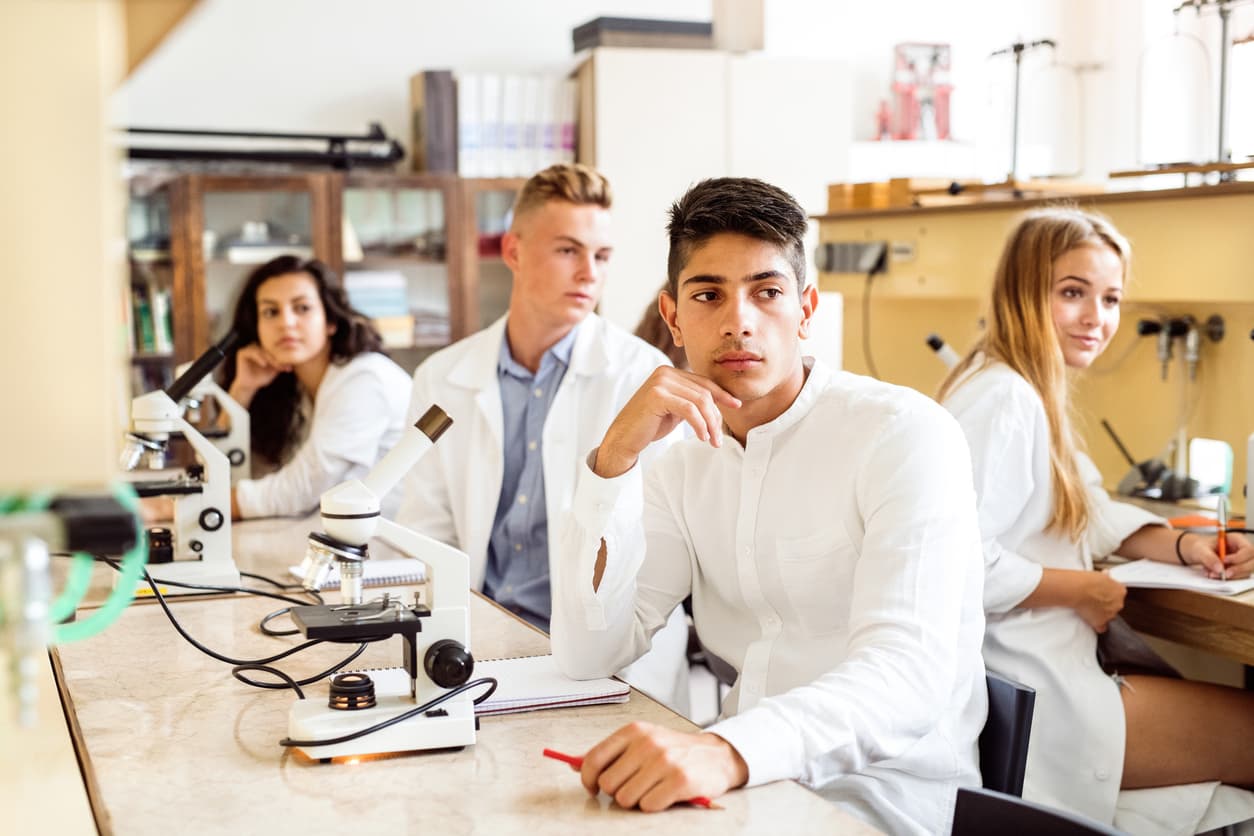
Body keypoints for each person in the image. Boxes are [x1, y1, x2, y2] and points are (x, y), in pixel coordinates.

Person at [548, 177, 987, 834]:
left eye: (768, 292)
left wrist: (729, 750)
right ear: (672, 317)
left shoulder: (902, 434)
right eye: (708, 295)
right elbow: (589, 653)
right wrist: (613, 461)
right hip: (738, 789)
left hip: (880, 798)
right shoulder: (677, 457)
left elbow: (907, 675)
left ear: (806, 308)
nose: (739, 321)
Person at [938, 207, 1254, 832]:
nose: (1097, 318)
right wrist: (1081, 588)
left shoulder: (1027, 386)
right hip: (1038, 695)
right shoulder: (1005, 399)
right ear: (1023, 292)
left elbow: (1089, 508)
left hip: (1049, 675)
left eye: (1110, 299)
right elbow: (957, 563)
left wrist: (1188, 545)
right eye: (1073, 293)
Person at [396, 163, 690, 715]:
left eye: (601, 257)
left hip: (603, 657)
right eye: (567, 251)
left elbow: (657, 550)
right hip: (476, 642)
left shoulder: (639, 378)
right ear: (513, 251)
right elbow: (426, 530)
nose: (588, 273)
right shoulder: (442, 376)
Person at [219, 255, 411, 519]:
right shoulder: (294, 389)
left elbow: (301, 489)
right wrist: (242, 391)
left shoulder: (364, 379)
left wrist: (189, 508)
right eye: (271, 312)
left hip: (396, 548)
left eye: (302, 308)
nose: (286, 322)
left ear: (330, 321)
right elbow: (221, 473)